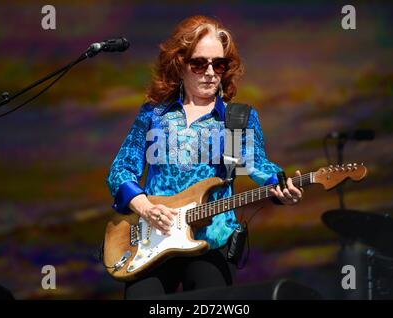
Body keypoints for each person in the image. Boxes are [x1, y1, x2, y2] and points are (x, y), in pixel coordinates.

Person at [106, 15, 303, 299]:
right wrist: (146, 208)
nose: (210, 72)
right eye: (199, 63)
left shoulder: (235, 119)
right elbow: (121, 170)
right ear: (180, 65)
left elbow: (256, 164)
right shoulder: (154, 114)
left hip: (211, 244)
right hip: (152, 242)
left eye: (218, 64)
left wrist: (280, 186)